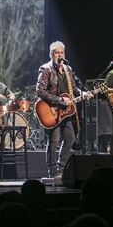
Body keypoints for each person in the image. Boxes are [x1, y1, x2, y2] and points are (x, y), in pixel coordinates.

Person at [36, 41, 93, 180]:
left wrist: (83, 94)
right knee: (54, 140)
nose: (59, 55)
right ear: (51, 54)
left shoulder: (68, 70)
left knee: (70, 138)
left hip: (65, 112)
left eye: (62, 52)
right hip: (51, 110)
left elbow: (74, 90)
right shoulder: (46, 69)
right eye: (57, 52)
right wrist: (60, 101)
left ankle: (61, 169)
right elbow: (40, 91)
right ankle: (53, 172)